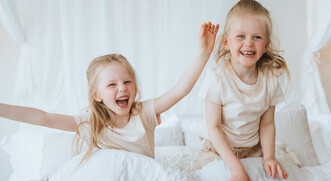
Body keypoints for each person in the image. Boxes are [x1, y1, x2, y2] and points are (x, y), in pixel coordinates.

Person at [0, 22, 219, 166]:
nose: (122, 88)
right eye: (112, 85)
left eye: (127, 81)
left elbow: (180, 89)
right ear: (97, 95)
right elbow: (43, 118)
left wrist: (203, 53)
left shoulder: (144, 113)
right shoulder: (89, 121)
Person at [196, 0, 290, 181]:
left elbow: (267, 124)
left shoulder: (270, 80)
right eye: (241, 36)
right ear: (226, 42)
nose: (249, 43)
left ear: (265, 45)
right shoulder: (217, 78)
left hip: (253, 149)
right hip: (217, 151)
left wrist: (269, 157)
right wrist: (236, 168)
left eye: (257, 37)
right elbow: (214, 127)